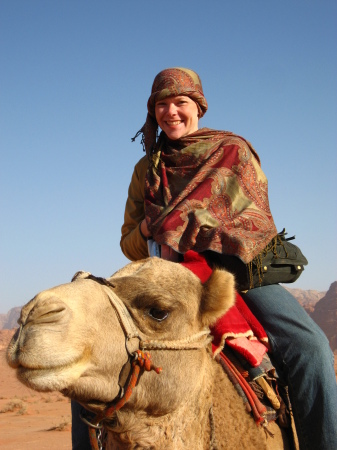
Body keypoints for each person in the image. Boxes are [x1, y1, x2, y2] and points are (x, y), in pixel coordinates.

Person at [121, 67, 337, 450]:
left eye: (180, 103)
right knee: (96, 352)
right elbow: (128, 241)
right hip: (169, 276)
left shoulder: (232, 150)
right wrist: (151, 229)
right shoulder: (147, 170)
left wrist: (193, 227)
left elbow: (251, 217)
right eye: (162, 105)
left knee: (311, 348)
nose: (171, 112)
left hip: (237, 271)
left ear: (198, 107)